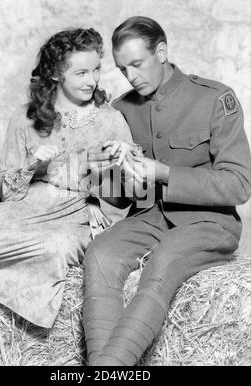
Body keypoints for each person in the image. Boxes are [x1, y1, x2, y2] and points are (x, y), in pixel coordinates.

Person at [83, 16, 251, 366]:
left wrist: (164, 173)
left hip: (208, 223)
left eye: (137, 64)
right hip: (147, 217)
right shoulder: (122, 109)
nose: (131, 76)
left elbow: (239, 184)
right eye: (122, 69)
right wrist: (102, 173)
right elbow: (122, 198)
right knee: (100, 254)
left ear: (161, 52)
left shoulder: (214, 98)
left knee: (164, 262)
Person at [0, 28, 135, 328]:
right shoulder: (25, 118)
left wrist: (113, 169)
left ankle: (6, 280)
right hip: (21, 213)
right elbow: (5, 190)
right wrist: (33, 167)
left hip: (75, 217)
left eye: (96, 69)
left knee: (53, 250)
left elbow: (127, 200)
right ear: (55, 74)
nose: (92, 80)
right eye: (81, 73)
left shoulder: (110, 119)